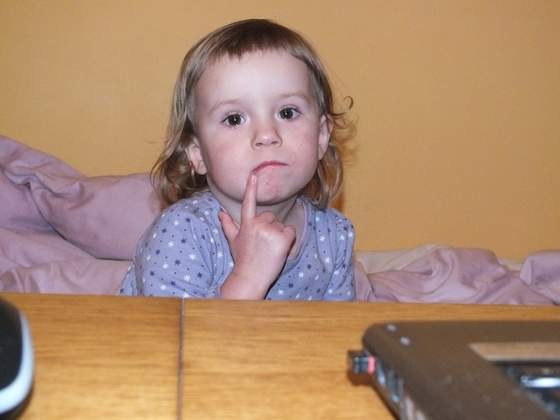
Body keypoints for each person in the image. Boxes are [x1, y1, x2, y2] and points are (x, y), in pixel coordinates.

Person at [120, 18, 356, 300]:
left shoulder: (335, 236)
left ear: (321, 136)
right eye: (234, 119)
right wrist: (249, 277)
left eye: (287, 113)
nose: (266, 135)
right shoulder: (183, 232)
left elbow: (339, 325)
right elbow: (176, 329)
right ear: (197, 153)